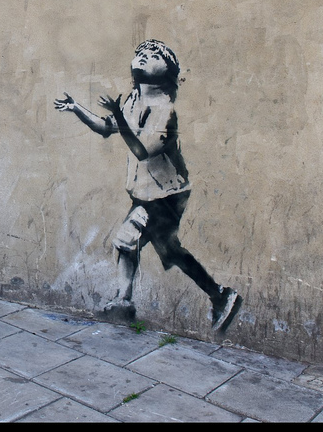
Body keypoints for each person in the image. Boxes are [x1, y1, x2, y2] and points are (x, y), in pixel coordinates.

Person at [54, 39, 242, 333]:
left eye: (154, 54)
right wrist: (76, 107)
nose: (143, 56)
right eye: (140, 52)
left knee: (126, 240)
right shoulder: (132, 101)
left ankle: (124, 300)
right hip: (147, 194)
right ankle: (219, 295)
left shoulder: (164, 109)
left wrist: (118, 116)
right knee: (170, 251)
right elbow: (106, 127)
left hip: (165, 195)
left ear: (168, 70)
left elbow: (142, 150)